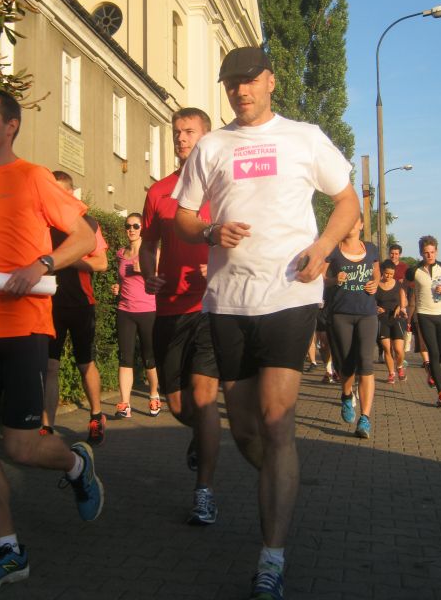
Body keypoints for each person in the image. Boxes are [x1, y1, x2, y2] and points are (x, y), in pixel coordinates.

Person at [172, 47, 359, 600]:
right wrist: (210, 232)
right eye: (231, 83)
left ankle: (271, 558)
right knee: (247, 431)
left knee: (277, 423)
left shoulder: (304, 137)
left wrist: (324, 247)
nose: (241, 91)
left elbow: (347, 200)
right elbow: (184, 217)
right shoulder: (211, 146)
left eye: (249, 80)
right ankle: (282, 479)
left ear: (271, 81)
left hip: (290, 293)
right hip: (228, 301)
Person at [0, 90, 104, 596]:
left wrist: (42, 264)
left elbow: (85, 237)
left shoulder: (34, 178)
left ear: (11, 126)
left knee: (21, 447)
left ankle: (76, 464)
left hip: (25, 327)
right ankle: (9, 550)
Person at [139, 107, 221, 526]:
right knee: (176, 404)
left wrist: (220, 265)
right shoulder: (160, 192)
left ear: (206, 137)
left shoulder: (222, 187)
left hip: (210, 306)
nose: (181, 138)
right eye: (177, 132)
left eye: (189, 131)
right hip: (169, 307)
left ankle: (204, 492)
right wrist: (148, 274)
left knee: (204, 399)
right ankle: (201, 435)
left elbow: (246, 239)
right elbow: (147, 244)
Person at [41, 171, 108, 446]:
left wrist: (68, 259)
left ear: (70, 194)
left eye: (58, 191)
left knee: (85, 364)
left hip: (81, 304)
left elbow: (102, 263)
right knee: (50, 366)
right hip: (50, 303)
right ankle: (46, 427)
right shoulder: (43, 224)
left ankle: (96, 416)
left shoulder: (88, 223)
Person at [325, 216, 380, 438]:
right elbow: (321, 277)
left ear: (361, 225)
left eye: (354, 221)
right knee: (346, 364)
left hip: (367, 313)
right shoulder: (333, 249)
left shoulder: (371, 249)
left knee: (366, 363)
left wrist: (376, 283)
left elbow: (376, 271)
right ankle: (347, 396)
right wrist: (334, 280)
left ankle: (365, 419)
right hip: (341, 314)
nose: (350, 225)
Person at [110, 212, 160, 418]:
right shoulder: (121, 254)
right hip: (125, 311)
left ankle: (154, 395)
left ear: (142, 229)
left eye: (136, 226)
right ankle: (125, 404)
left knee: (149, 357)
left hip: (148, 310)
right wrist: (117, 286)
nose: (131, 229)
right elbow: (122, 279)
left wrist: (147, 273)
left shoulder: (153, 253)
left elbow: (161, 281)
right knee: (125, 358)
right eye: (128, 226)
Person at [406, 235, 441, 408]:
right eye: (426, 252)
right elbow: (404, 285)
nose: (429, 255)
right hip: (424, 315)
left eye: (432, 252)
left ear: (436, 251)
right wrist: (404, 304)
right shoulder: (414, 271)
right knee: (434, 353)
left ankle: (431, 370)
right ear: (421, 253)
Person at [375, 259, 408, 383]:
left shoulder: (398, 285)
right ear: (382, 272)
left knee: (399, 350)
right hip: (382, 319)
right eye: (386, 273)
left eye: (391, 274)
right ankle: (391, 373)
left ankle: (399, 367)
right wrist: (375, 307)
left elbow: (405, 301)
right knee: (387, 348)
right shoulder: (376, 285)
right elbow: (370, 301)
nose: (388, 276)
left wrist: (400, 307)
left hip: (396, 319)